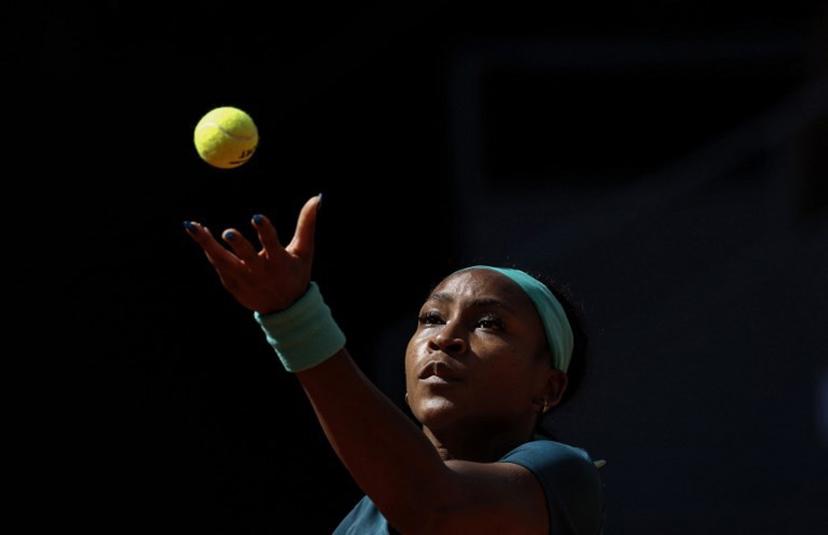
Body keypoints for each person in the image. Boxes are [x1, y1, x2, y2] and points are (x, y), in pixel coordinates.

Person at [184, 194, 606, 534]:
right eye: (432, 319)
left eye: (489, 324)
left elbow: (436, 510)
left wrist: (295, 321)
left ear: (549, 388)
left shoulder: (564, 475)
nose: (444, 338)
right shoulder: (360, 521)